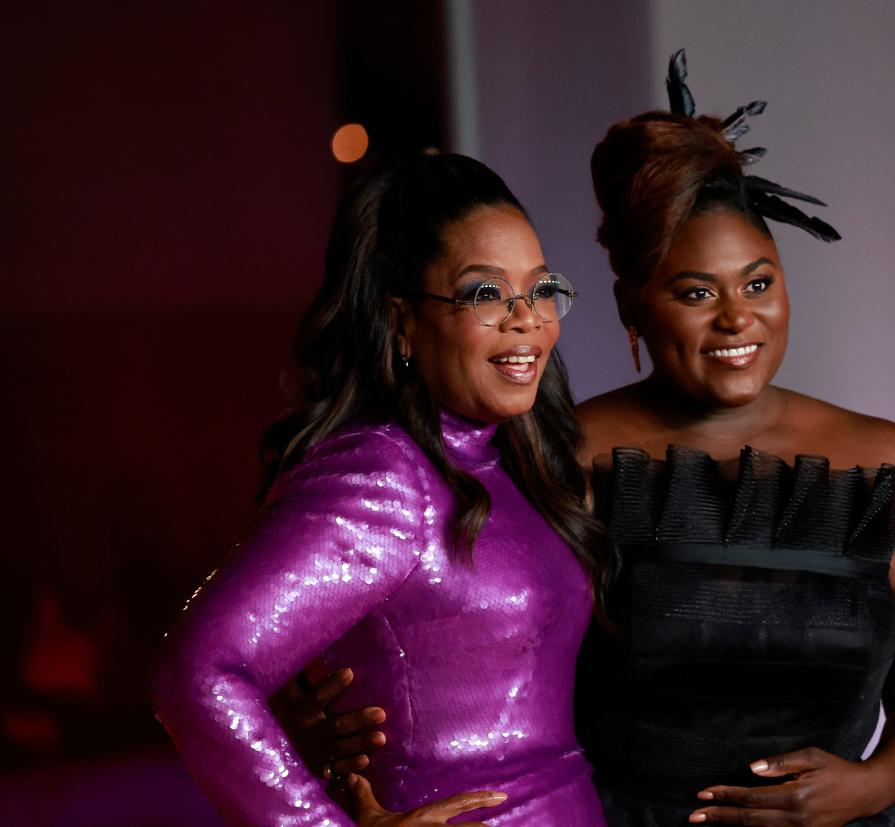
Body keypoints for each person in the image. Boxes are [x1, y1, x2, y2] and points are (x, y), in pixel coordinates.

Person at [292, 52, 895, 827]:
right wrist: (317, 732)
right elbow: (428, 644)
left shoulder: (891, 467)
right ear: (631, 305)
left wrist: (867, 785)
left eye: (759, 283)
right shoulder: (549, 457)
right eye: (695, 293)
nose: (736, 318)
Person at [152, 151, 612, 827]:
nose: (527, 319)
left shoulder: (515, 454)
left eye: (540, 289)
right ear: (401, 321)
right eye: (485, 293)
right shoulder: (383, 477)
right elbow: (197, 672)